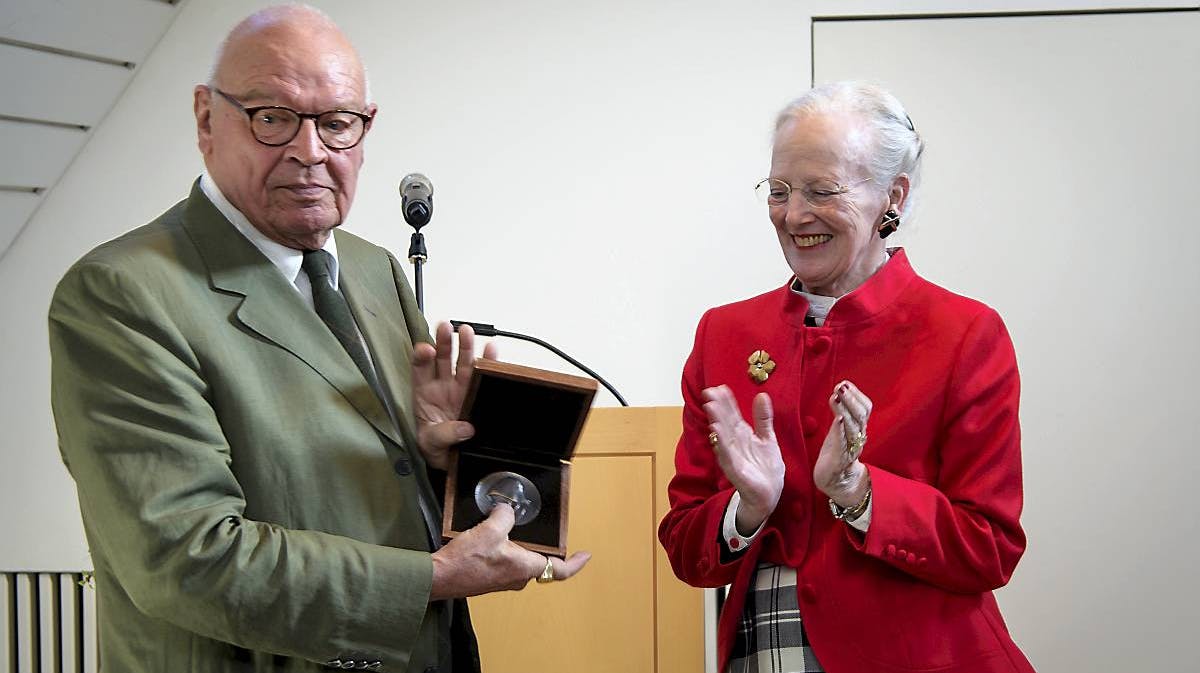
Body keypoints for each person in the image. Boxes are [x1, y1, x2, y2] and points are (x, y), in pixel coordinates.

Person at [48, 5, 588, 672]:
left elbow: (354, 480)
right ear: (205, 119)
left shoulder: (373, 267)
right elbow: (185, 557)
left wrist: (435, 459)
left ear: (365, 131)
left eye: (336, 123)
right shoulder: (121, 292)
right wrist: (434, 577)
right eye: (271, 117)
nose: (311, 153)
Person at [657, 81, 1035, 673]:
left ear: (894, 196)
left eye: (822, 190)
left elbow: (990, 548)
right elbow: (685, 548)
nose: (794, 214)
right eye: (779, 191)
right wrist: (748, 508)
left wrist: (861, 493)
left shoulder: (964, 332)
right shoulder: (722, 334)